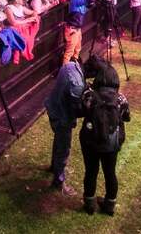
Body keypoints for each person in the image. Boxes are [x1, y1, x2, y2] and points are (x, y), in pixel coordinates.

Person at [79, 62, 130, 216]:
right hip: (111, 143)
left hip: (90, 141)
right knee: (110, 173)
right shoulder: (121, 99)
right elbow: (126, 118)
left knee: (90, 172)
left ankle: (89, 205)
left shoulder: (89, 95)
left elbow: (81, 110)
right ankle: (109, 206)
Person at [43, 55, 86, 195]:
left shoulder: (69, 66)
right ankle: (58, 180)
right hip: (62, 117)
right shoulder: (78, 85)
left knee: (58, 140)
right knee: (63, 147)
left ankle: (53, 166)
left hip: (52, 107)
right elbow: (77, 109)